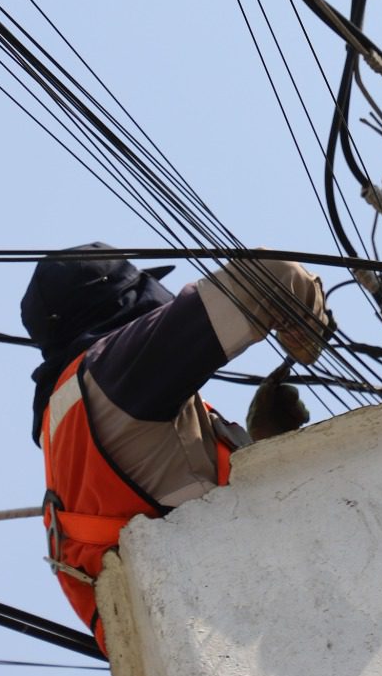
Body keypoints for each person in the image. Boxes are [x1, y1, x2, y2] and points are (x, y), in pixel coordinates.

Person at [20, 244, 328, 654]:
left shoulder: (68, 421)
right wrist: (309, 328)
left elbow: (169, 498)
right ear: (121, 301)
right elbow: (276, 274)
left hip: (205, 648)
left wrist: (264, 445)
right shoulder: (114, 373)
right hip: (261, 636)